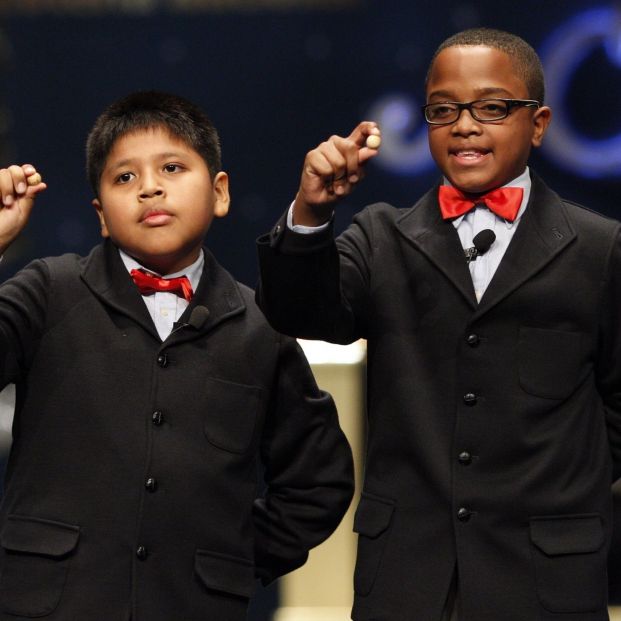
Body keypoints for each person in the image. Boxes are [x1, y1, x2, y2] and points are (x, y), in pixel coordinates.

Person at [256, 27, 621, 621]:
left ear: (539, 123)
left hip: (545, 578)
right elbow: (300, 312)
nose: (466, 125)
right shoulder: (381, 236)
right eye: (444, 110)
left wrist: (562, 478)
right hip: (407, 576)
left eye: (492, 108)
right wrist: (311, 213)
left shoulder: (600, 249)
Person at [0, 91, 354, 621]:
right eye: (124, 178)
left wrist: (229, 558)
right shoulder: (49, 291)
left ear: (220, 192)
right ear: (99, 214)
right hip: (50, 604)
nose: (150, 188)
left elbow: (318, 479)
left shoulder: (262, 324)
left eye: (171, 167)